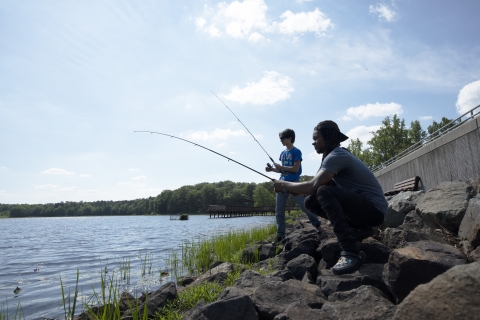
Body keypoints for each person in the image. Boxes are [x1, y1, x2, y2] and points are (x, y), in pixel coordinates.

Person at [273, 121, 387, 275]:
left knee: (323, 191)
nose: (313, 142)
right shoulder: (334, 156)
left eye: (316, 138)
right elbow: (315, 189)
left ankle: (351, 251)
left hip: (375, 210)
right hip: (366, 211)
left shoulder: (336, 155)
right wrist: (298, 191)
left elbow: (314, 186)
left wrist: (284, 185)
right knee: (310, 201)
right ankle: (358, 230)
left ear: (328, 137)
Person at [266, 128, 322, 244]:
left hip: (295, 184)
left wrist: (281, 167)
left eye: (282, 138)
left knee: (306, 206)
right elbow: (283, 171)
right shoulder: (282, 153)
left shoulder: (296, 152)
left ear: (289, 138)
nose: (281, 140)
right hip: (281, 184)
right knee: (279, 211)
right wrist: (272, 169)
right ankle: (280, 236)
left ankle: (319, 227)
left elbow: (295, 169)